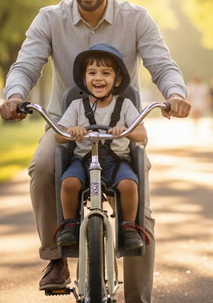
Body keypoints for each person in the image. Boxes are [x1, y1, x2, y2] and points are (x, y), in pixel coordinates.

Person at [0, 0, 190, 303]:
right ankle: (55, 259)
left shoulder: (136, 18)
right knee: (41, 169)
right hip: (65, 128)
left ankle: (137, 299)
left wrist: (175, 94)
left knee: (141, 212)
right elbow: (26, 64)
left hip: (121, 132)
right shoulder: (50, 19)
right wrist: (14, 95)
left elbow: (162, 64)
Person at [55, 44, 146, 251]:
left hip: (116, 161)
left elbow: (142, 134)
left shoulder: (125, 106)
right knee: (68, 183)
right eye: (92, 73)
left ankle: (129, 227)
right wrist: (71, 132)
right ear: (84, 78)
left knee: (129, 185)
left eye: (106, 73)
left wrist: (126, 130)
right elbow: (58, 135)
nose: (98, 78)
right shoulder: (77, 106)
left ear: (118, 80)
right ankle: (70, 224)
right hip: (83, 161)